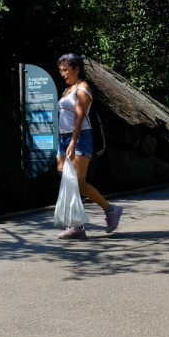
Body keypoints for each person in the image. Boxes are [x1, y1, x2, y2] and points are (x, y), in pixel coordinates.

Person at [55, 53, 123, 240]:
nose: (63, 74)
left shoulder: (83, 88)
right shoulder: (67, 90)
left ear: (76, 69)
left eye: (65, 70)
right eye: (60, 71)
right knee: (69, 182)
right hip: (63, 138)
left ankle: (109, 210)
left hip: (80, 138)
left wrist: (73, 142)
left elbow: (79, 117)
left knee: (77, 182)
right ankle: (78, 225)